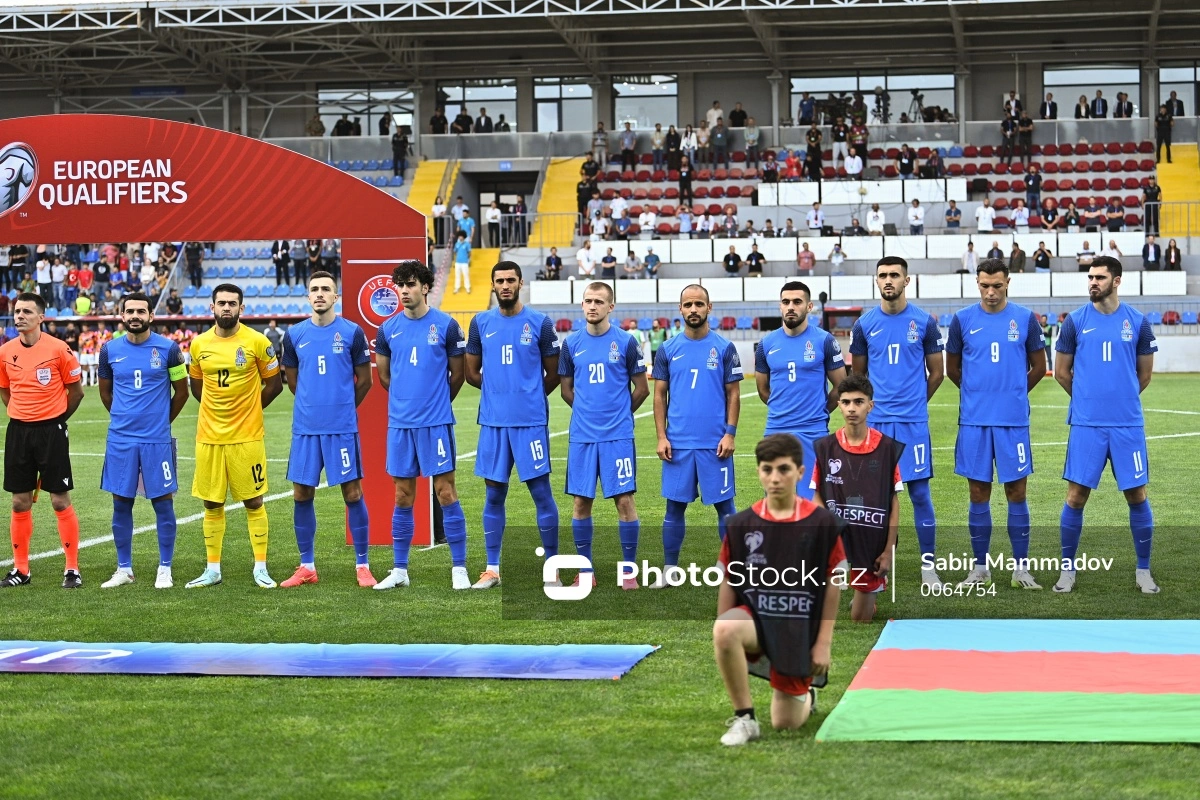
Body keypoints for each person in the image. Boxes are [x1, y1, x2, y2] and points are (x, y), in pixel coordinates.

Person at [713, 433, 845, 746]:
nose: (775, 478)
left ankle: (807, 695)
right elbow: (730, 579)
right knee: (727, 628)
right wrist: (723, 628)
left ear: (800, 472)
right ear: (758, 472)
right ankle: (745, 719)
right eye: (767, 469)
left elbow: (834, 582)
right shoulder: (741, 524)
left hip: (797, 628)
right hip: (756, 621)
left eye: (783, 469)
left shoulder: (822, 524)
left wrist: (823, 643)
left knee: (785, 724)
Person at [1053, 256, 1159, 594]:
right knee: (1075, 496)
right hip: (1087, 425)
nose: (1093, 283)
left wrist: (1120, 398)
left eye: (1099, 277)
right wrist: (1087, 400)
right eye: (1090, 277)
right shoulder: (1074, 322)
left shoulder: (1138, 322)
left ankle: (1143, 571)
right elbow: (1060, 372)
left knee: (1137, 494)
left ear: (1117, 280)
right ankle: (1067, 571)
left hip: (1127, 424)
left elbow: (1144, 375)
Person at [944, 259, 1046, 589]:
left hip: (1012, 422)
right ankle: (979, 569)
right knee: (978, 493)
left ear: (1008, 283)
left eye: (997, 286)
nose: (991, 292)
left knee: (1017, 492)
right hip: (974, 421)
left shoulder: (1026, 319)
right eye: (985, 285)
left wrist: (1012, 393)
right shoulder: (961, 320)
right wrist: (978, 394)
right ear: (977, 283)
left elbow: (1038, 367)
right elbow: (953, 369)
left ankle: (1020, 569)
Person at [371, 261, 471, 590]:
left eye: (410, 284)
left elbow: (458, 374)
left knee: (445, 492)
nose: (403, 291)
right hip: (401, 424)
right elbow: (385, 376)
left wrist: (436, 402)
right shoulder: (387, 329)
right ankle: (400, 570)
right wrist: (405, 400)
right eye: (400, 285)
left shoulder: (446, 325)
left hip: (436, 423)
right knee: (402, 495)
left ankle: (459, 568)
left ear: (425, 287)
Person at [464, 263, 561, 589]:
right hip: (493, 424)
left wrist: (528, 396)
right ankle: (492, 569)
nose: (505, 286)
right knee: (494, 494)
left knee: (541, 494)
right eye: (499, 281)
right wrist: (498, 396)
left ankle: (553, 569)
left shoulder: (540, 323)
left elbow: (554, 373)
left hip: (530, 423)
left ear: (520, 283)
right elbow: (471, 372)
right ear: (492, 285)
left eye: (510, 280)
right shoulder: (480, 323)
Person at [849, 257, 945, 585]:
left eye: (894, 275)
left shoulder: (925, 322)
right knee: (873, 499)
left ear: (907, 280)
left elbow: (937, 373)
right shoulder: (864, 325)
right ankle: (876, 566)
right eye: (882, 275)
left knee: (919, 493)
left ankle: (929, 567)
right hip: (875, 425)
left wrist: (915, 403)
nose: (888, 280)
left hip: (912, 424)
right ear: (876, 281)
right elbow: (858, 376)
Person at [277, 272, 375, 589]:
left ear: (336, 297)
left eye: (326, 290)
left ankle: (362, 565)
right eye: (315, 289)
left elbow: (366, 380)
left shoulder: (352, 333)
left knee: (353, 492)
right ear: (308, 296)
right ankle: (307, 566)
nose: (320, 294)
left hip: (341, 428)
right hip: (305, 429)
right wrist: (313, 405)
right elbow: (293, 381)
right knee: (302, 493)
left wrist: (341, 407)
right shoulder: (294, 335)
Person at [184, 284, 284, 589]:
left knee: (254, 501)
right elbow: (196, 386)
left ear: (242, 308)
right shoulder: (199, 345)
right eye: (221, 303)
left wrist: (250, 410)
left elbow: (274, 384)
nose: (226, 308)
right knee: (211, 504)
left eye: (232, 304)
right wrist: (216, 413)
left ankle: (261, 568)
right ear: (211, 307)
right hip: (209, 438)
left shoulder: (257, 341)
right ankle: (212, 569)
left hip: (247, 437)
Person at [559, 283, 650, 589]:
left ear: (611, 307)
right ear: (581, 305)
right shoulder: (571, 344)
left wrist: (619, 414)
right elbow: (567, 390)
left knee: (624, 501)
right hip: (582, 437)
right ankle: (586, 573)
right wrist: (587, 413)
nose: (592, 306)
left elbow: (642, 388)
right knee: (581, 504)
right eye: (588, 301)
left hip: (618, 436)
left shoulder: (626, 342)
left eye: (599, 301)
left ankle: (628, 573)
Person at [97, 292, 189, 589]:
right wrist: (125, 420)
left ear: (152, 315)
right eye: (129, 311)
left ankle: (165, 568)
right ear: (121, 315)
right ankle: (124, 568)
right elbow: (105, 393)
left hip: (156, 441)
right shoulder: (109, 351)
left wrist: (159, 423)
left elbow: (182, 392)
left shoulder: (169, 350)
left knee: (163, 503)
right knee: (120, 502)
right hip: (121, 440)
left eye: (141, 311)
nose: (135, 315)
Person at [652, 284, 742, 582]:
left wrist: (729, 433)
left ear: (709, 307)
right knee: (674, 507)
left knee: (725, 507)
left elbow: (733, 394)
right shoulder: (667, 349)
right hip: (677, 444)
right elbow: (659, 395)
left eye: (698, 304)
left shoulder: (725, 348)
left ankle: (729, 566)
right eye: (688, 304)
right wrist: (662, 437)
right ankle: (669, 568)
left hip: (715, 443)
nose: (693, 309)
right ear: (680, 309)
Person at [0, 293, 85, 588]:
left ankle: (72, 569)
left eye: (26, 311)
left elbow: (76, 392)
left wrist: (56, 419)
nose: (19, 315)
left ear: (41, 317)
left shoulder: (59, 349)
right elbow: (5, 390)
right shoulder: (5, 351)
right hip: (18, 432)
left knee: (60, 501)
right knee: (19, 502)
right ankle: (21, 570)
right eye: (17, 311)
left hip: (51, 431)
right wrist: (21, 413)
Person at [810, 375, 902, 621]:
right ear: (838, 404)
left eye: (859, 402)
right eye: (846, 402)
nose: (852, 408)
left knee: (859, 619)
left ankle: (867, 594)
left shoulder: (887, 449)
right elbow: (817, 495)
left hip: (870, 542)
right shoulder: (824, 447)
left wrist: (888, 551)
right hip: (837, 538)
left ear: (870, 405)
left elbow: (893, 502)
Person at [754, 281, 847, 500]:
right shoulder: (766, 343)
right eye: (786, 302)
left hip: (813, 431)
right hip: (776, 430)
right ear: (780, 306)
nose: (791, 307)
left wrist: (819, 411)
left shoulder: (824, 340)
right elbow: (763, 389)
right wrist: (782, 410)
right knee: (777, 500)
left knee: (812, 502)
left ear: (809, 306)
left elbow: (841, 386)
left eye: (797, 302)